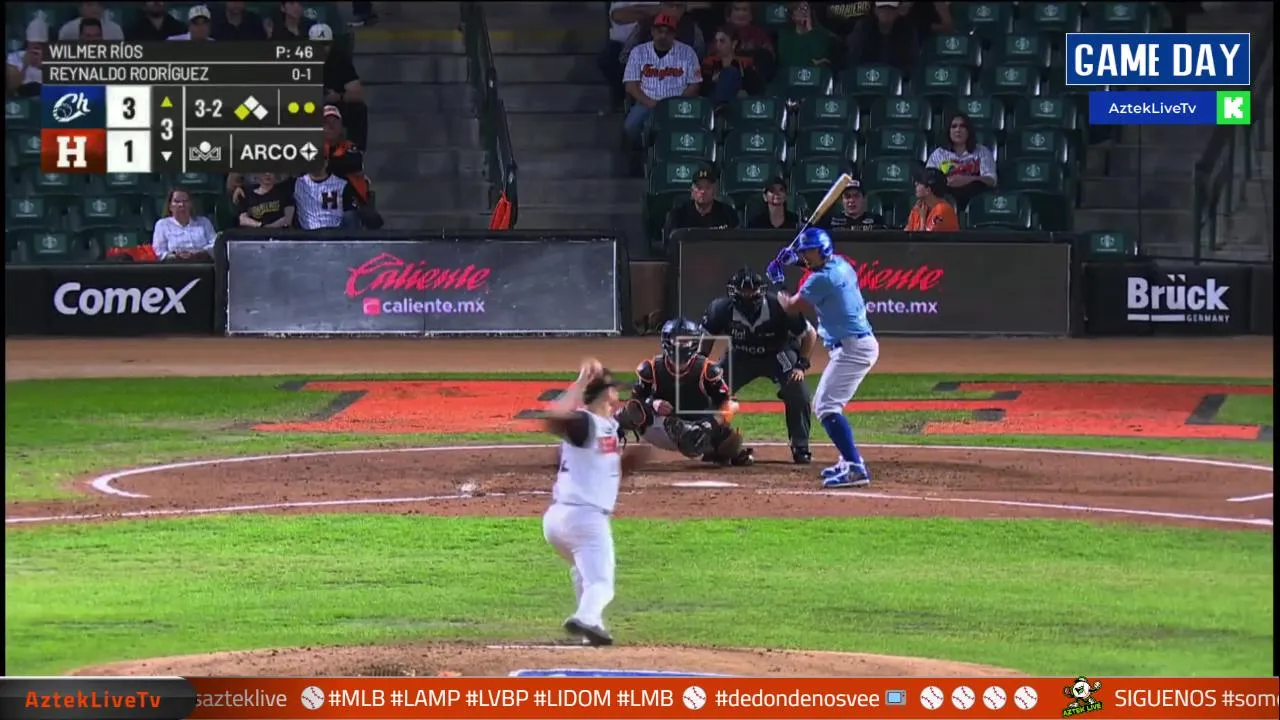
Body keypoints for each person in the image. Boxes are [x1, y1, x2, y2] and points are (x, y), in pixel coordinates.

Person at [542, 359, 650, 647]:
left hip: (561, 520)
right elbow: (553, 417)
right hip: (584, 519)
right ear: (604, 394)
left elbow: (594, 467)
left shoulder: (605, 427)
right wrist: (580, 382)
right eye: (614, 390)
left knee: (584, 571)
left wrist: (626, 466)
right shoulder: (585, 422)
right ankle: (587, 618)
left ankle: (593, 629)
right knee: (602, 583)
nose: (618, 397)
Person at [768, 228, 878, 488]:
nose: (805, 255)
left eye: (809, 251)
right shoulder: (841, 263)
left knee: (827, 407)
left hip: (853, 349)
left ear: (823, 250)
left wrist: (778, 281)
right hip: (853, 345)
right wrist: (795, 261)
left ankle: (855, 467)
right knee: (826, 405)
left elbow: (790, 306)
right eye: (803, 251)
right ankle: (849, 461)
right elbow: (815, 267)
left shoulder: (821, 279)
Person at [699, 268, 818, 464]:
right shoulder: (720, 309)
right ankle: (715, 442)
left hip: (777, 353)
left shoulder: (779, 306)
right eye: (743, 291)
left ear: (761, 291)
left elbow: (810, 334)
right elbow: (707, 338)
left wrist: (801, 365)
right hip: (740, 354)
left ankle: (800, 445)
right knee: (708, 387)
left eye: (752, 291)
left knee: (798, 391)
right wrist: (700, 363)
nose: (747, 295)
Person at [613, 318, 755, 466]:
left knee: (730, 440)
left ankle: (718, 453)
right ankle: (609, 444)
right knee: (630, 411)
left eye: (685, 340)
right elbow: (635, 402)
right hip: (659, 427)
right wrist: (653, 403)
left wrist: (710, 424)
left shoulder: (707, 370)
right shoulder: (651, 368)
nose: (680, 344)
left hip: (696, 432)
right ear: (666, 341)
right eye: (675, 340)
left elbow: (731, 403)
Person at [621, 12, 702, 146]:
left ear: (674, 34)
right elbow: (630, 86)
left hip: (677, 104)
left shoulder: (688, 52)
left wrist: (677, 103)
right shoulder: (638, 52)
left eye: (668, 32)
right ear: (652, 31)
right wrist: (649, 102)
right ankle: (642, 152)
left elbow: (695, 85)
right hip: (646, 102)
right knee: (630, 127)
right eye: (660, 31)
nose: (663, 36)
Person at [925, 112, 997, 210]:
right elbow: (929, 179)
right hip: (947, 198)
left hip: (974, 197)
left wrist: (967, 179)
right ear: (949, 131)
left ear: (969, 131)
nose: (958, 130)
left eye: (962, 126)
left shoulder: (982, 152)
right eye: (954, 126)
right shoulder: (939, 154)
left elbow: (991, 180)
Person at [317, 23, 368, 151]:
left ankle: (354, 151)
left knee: (359, 109)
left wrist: (339, 96)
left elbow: (357, 91)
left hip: (336, 103)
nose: (322, 49)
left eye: (325, 44)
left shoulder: (339, 58)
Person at [601, 2, 661, 111]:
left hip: (653, 39)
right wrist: (650, 12)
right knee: (607, 59)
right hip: (622, 44)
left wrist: (635, 11)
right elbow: (618, 15)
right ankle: (624, 100)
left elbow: (669, 10)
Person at [662, 165, 739, 241]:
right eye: (699, 188)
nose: (703, 191)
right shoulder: (678, 216)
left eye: (707, 187)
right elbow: (669, 244)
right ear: (692, 192)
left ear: (714, 192)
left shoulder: (728, 214)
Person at [846, 2, 919, 74]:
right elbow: (853, 58)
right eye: (882, 9)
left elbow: (911, 62)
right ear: (876, 10)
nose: (886, 13)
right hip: (865, 76)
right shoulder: (863, 28)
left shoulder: (907, 31)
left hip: (896, 78)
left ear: (897, 12)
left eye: (891, 9)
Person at [701, 26, 764, 106]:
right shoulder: (709, 65)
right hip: (712, 105)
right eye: (716, 41)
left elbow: (755, 92)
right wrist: (713, 82)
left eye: (722, 41)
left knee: (730, 72)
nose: (717, 45)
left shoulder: (745, 66)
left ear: (734, 44)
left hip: (736, 107)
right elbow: (703, 92)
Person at [152, 188, 217, 262]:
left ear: (191, 204)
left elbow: (215, 245)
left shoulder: (204, 222)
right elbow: (159, 252)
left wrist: (199, 253)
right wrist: (175, 256)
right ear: (170, 206)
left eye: (185, 201)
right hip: (174, 266)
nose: (181, 205)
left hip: (202, 264)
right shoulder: (162, 225)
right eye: (177, 201)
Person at [294, 168, 361, 230]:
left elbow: (351, 214)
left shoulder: (342, 184)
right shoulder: (297, 183)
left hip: (336, 232)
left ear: (325, 162)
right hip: (308, 234)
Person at [777, 1, 835, 70]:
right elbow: (786, 60)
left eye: (806, 8)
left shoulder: (821, 33)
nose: (804, 11)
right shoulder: (785, 34)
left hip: (814, 74)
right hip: (792, 74)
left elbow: (819, 55)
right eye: (800, 9)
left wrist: (810, 29)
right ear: (793, 16)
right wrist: (812, 63)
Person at [906, 166, 960, 231]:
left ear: (928, 190)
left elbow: (926, 237)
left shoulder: (942, 210)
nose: (915, 184)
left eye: (920, 183)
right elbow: (905, 234)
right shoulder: (919, 208)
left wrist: (922, 220)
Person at [818, 179, 886, 230]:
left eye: (856, 196)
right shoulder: (831, 222)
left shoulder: (877, 221)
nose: (851, 200)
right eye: (847, 196)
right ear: (841, 200)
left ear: (864, 199)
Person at [6, 18, 46, 98]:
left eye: (40, 44)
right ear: (28, 43)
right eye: (33, 44)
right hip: (21, 98)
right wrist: (25, 66)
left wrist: (42, 67)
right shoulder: (14, 57)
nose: (36, 48)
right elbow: (11, 87)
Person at [58, 1, 124, 41]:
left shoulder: (115, 30)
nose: (95, 8)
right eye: (89, 4)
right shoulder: (68, 30)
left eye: (99, 5)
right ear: (80, 8)